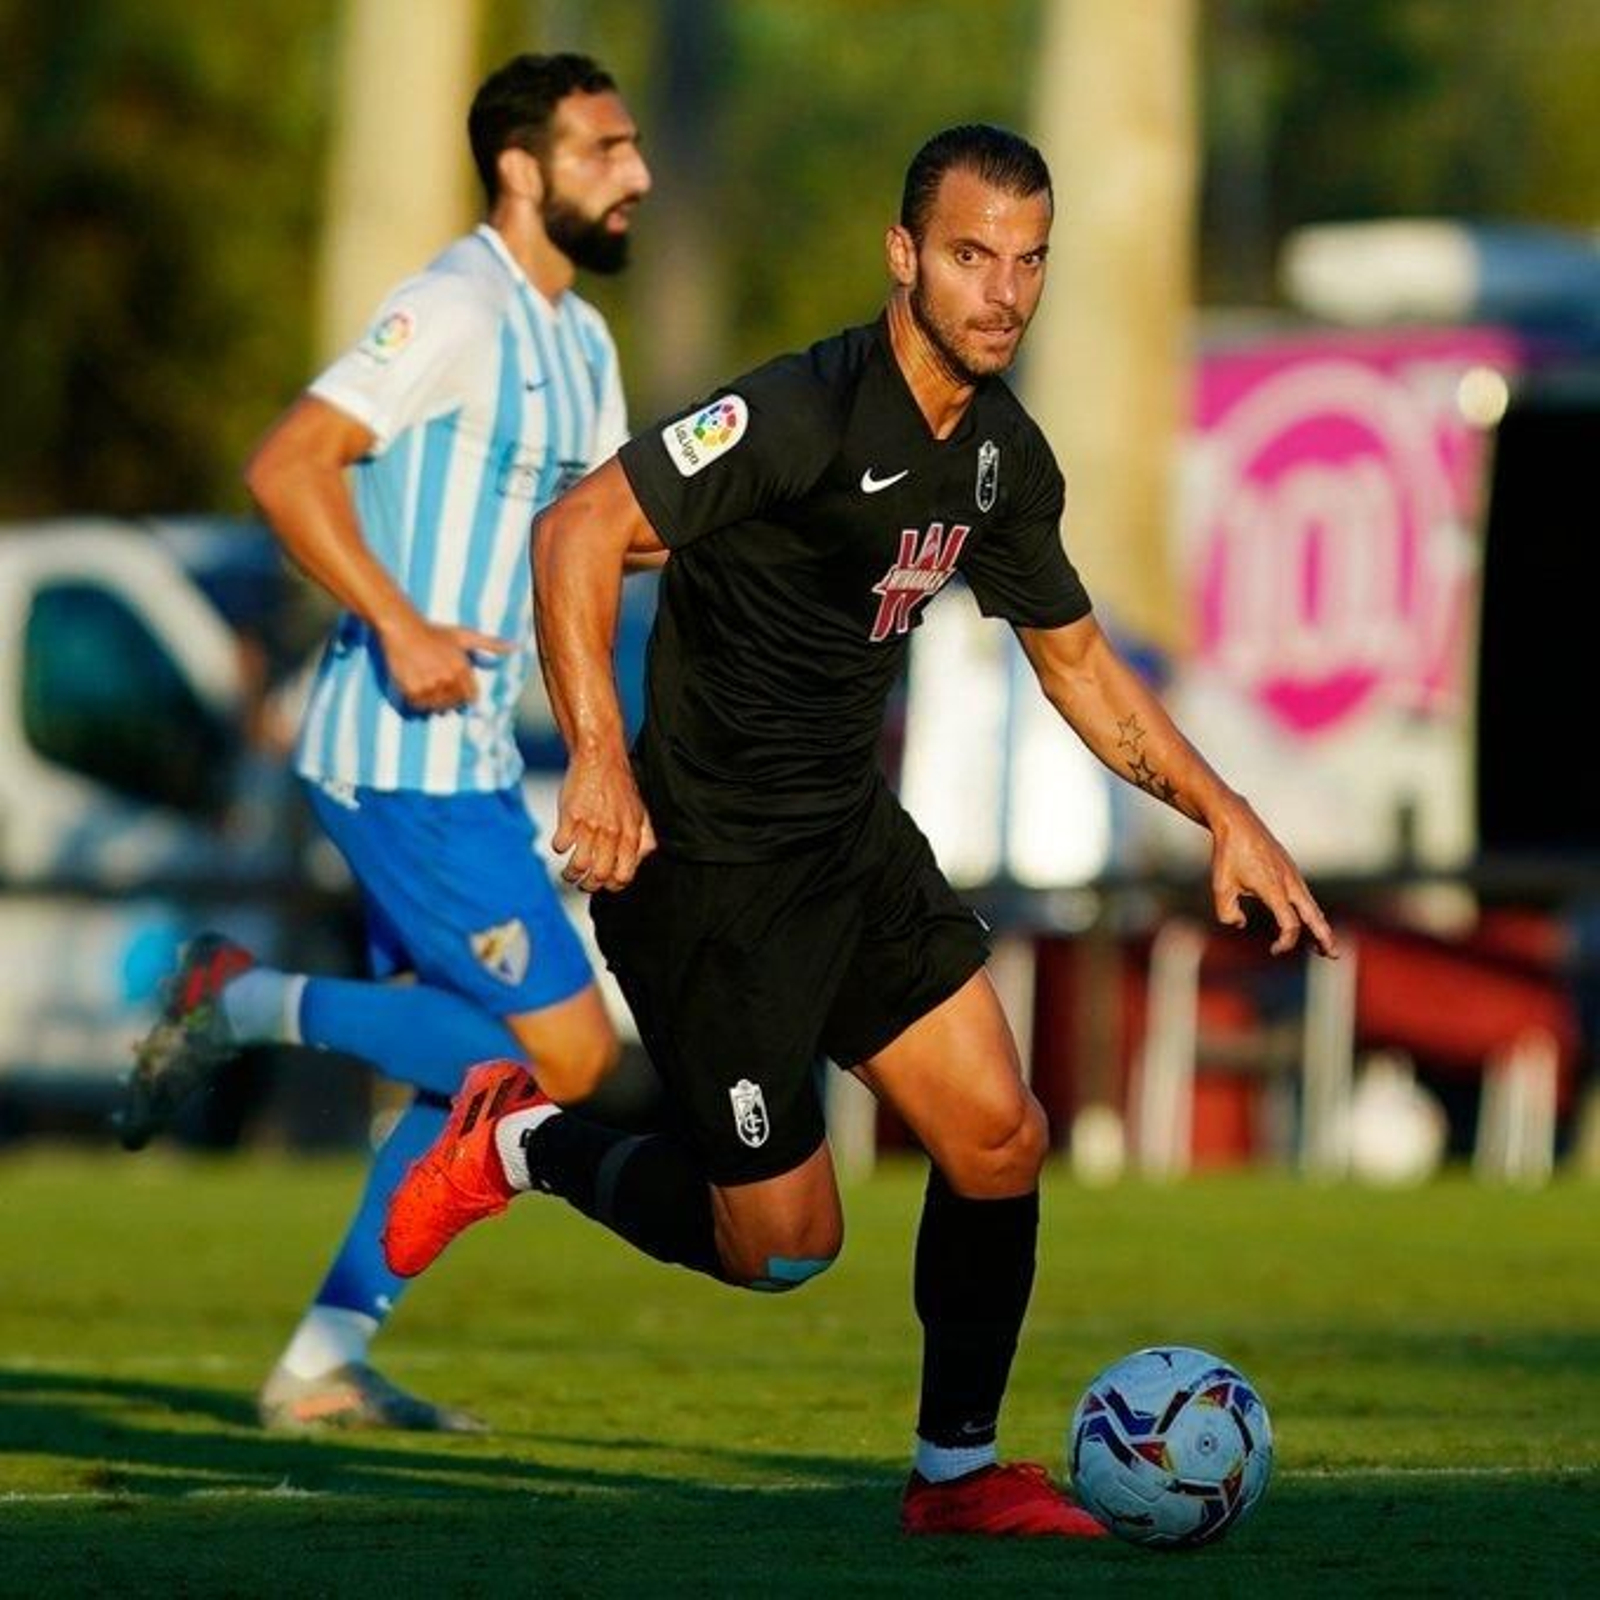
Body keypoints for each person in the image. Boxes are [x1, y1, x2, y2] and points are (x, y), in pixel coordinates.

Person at [382, 123, 1337, 1532]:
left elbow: (1074, 660)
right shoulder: (801, 414)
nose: (1002, 292)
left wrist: (1227, 814)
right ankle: (520, 1142)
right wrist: (597, 761)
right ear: (904, 257)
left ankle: (953, 1476)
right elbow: (577, 529)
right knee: (781, 1251)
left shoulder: (1002, 458)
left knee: (1001, 1141)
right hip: (707, 871)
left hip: (850, 846)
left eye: (1027, 263)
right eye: (970, 256)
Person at [115, 52, 652, 1434]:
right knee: (575, 1061)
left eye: (635, 147)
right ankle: (235, 999)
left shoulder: (579, 342)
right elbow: (288, 462)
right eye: (604, 150)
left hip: (470, 763)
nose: (636, 175)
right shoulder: (455, 305)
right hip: (399, 759)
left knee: (466, 1074)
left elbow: (606, 534)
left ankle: (321, 1361)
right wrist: (403, 624)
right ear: (522, 169)